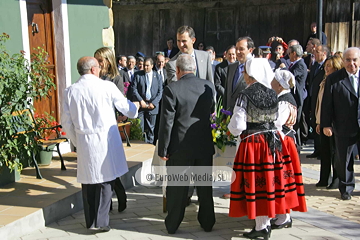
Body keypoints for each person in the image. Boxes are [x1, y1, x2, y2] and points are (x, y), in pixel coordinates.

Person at [61, 56, 139, 231]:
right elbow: (125, 107)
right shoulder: (106, 86)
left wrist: (76, 140)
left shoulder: (70, 91)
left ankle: (91, 222)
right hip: (105, 140)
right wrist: (136, 108)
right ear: (94, 69)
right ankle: (101, 222)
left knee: (88, 181)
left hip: (84, 140)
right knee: (105, 181)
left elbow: (65, 122)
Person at [228, 58, 301, 239]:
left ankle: (262, 227)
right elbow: (276, 121)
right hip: (271, 144)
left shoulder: (245, 95)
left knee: (255, 183)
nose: (243, 75)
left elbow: (237, 125)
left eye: (245, 71)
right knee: (269, 182)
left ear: (251, 73)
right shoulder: (272, 93)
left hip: (253, 144)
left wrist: (232, 131)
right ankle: (269, 221)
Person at [158, 54, 216, 234]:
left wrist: (163, 149)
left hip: (180, 146)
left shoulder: (172, 89)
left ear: (177, 70)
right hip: (204, 143)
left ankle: (173, 224)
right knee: (204, 186)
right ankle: (207, 222)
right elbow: (212, 112)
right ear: (195, 69)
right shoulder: (208, 85)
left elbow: (167, 122)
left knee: (177, 188)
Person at [321, 47, 360, 200]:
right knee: (344, 158)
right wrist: (326, 124)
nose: (352, 64)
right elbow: (327, 104)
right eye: (348, 60)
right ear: (343, 61)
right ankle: (346, 188)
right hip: (343, 124)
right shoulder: (334, 79)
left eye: (355, 60)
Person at [271, 69, 307, 229]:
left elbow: (277, 124)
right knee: (283, 179)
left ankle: (284, 217)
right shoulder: (285, 98)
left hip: (282, 142)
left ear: (279, 84)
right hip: (285, 141)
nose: (271, 82)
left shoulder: (284, 101)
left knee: (282, 179)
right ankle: (282, 215)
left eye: (273, 80)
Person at [94, 47, 128, 212]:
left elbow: (119, 102)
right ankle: (108, 203)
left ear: (108, 61)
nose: (98, 64)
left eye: (100, 61)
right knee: (102, 167)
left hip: (109, 128)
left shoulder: (116, 79)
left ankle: (120, 195)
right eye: (96, 61)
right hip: (96, 127)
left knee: (111, 167)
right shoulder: (94, 78)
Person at [315, 55, 343, 189]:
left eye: (329, 66)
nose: (326, 68)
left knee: (334, 152)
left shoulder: (337, 82)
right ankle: (324, 178)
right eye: (325, 65)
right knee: (325, 152)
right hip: (323, 121)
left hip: (333, 124)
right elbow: (321, 105)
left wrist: (328, 123)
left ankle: (336, 179)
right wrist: (319, 121)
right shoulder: (324, 81)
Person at [131, 57, 163, 144]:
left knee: (150, 130)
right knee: (139, 129)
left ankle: (149, 146)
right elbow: (134, 89)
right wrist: (141, 100)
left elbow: (160, 92)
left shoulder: (158, 77)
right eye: (144, 65)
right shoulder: (138, 75)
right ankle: (140, 145)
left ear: (152, 66)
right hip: (141, 106)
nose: (145, 67)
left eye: (147, 66)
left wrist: (154, 103)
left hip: (152, 106)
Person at [224, 36, 254, 112]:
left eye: (241, 49)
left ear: (250, 50)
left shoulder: (254, 69)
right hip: (229, 115)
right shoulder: (231, 67)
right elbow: (227, 93)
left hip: (245, 115)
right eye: (236, 49)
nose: (237, 52)